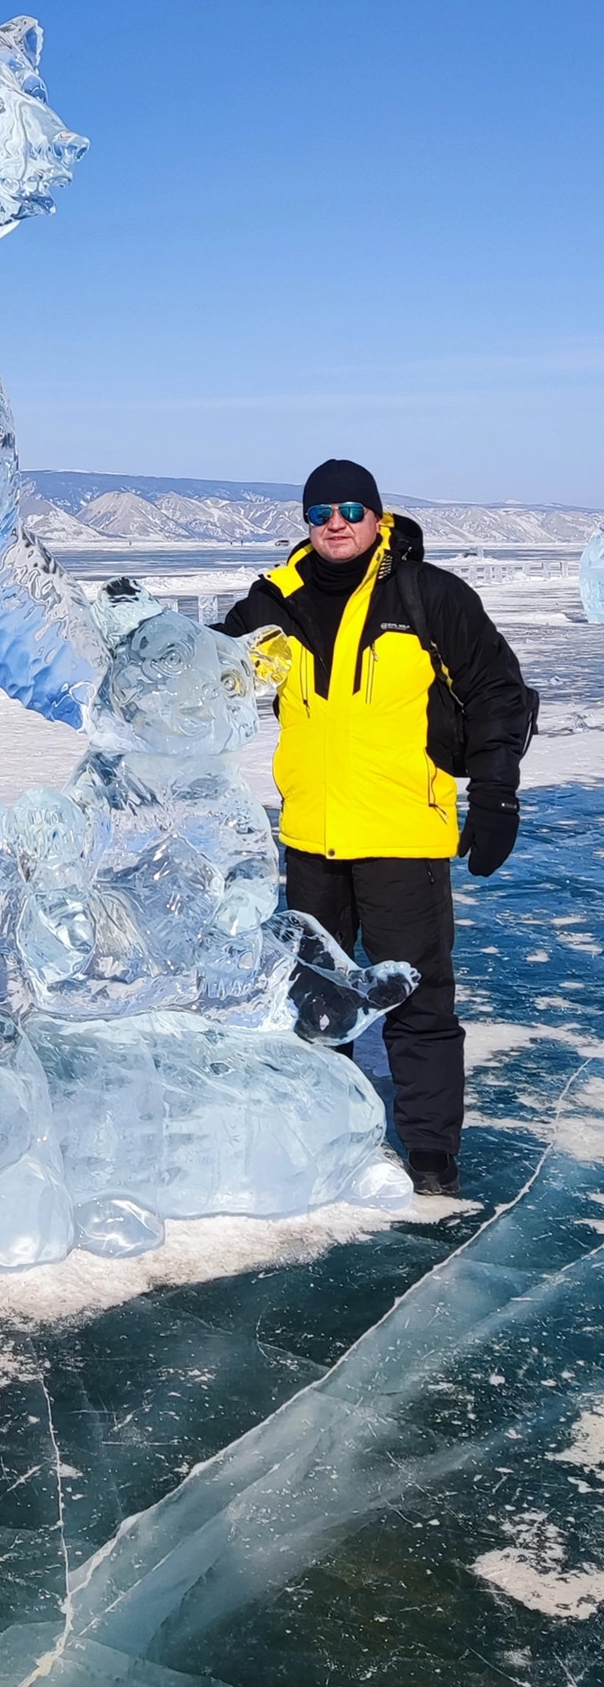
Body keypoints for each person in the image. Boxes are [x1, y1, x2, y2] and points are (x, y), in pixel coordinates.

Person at [219, 459, 535, 1196]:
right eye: (322, 509)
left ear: (377, 515)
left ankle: (431, 1161)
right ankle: (328, 1147)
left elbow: (498, 694)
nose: (337, 522)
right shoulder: (276, 603)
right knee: (314, 1008)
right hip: (310, 840)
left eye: (352, 509)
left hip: (401, 836)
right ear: (306, 519)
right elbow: (207, 671)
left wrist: (497, 796)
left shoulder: (428, 596)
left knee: (420, 1007)